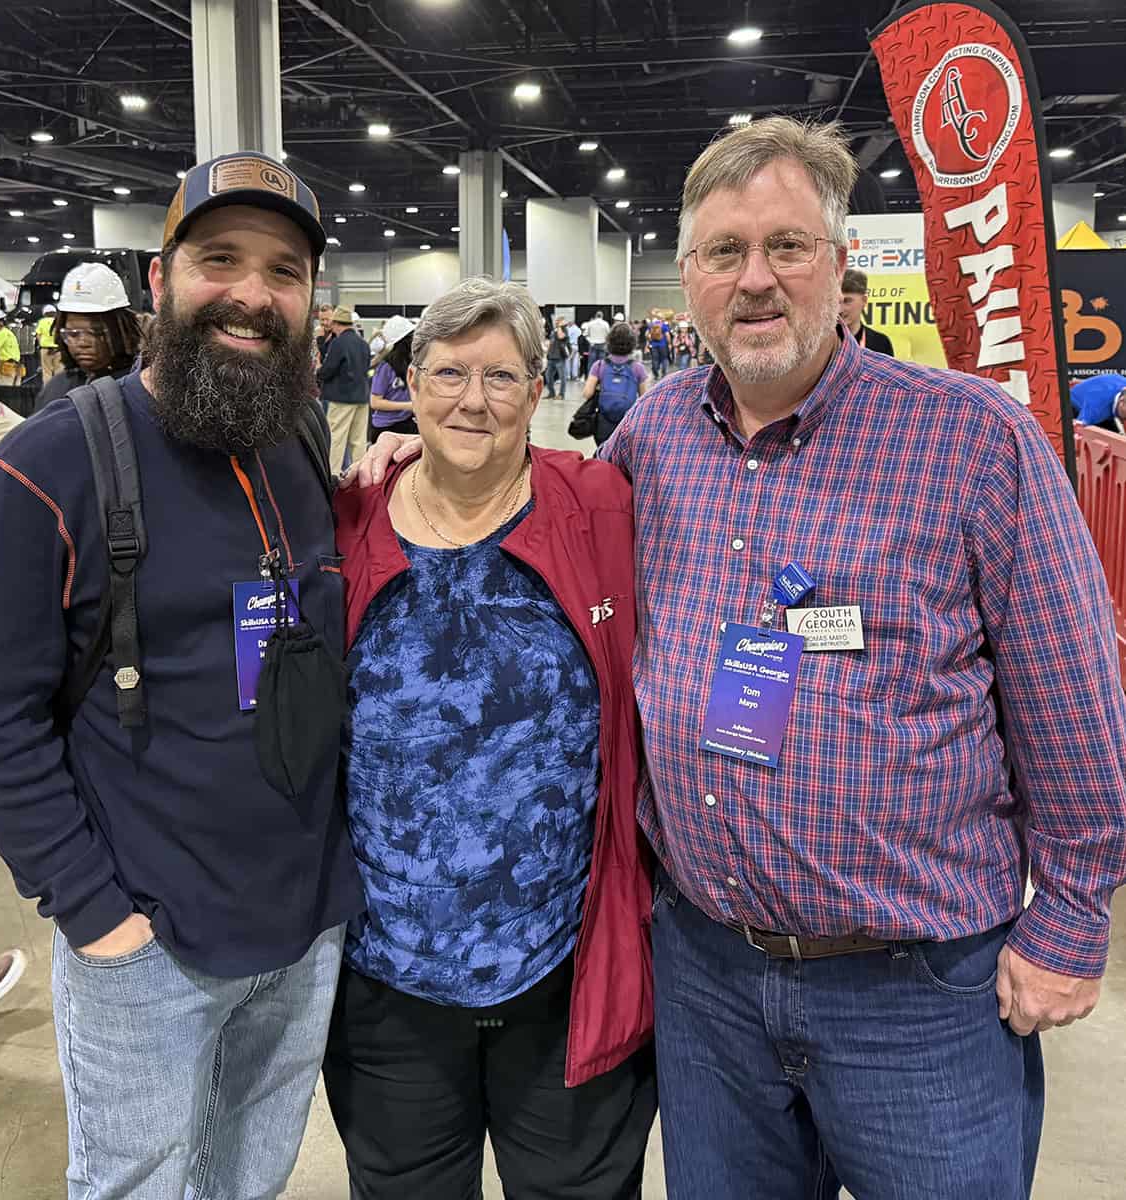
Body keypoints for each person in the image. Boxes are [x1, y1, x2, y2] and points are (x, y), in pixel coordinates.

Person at [353, 114, 1126, 1199]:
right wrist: (406, 463)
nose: (754, 279)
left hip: (916, 991)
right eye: (724, 252)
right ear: (691, 278)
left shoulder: (971, 439)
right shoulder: (653, 437)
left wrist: (1072, 917)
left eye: (787, 246)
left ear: (838, 263)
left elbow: (1075, 701)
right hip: (707, 975)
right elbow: (532, 502)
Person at [0, 149, 363, 1199]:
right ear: (161, 281)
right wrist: (95, 913)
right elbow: (0, 720)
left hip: (304, 921)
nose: (251, 293)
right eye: (219, 259)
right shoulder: (49, 465)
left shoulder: (288, 438)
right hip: (147, 937)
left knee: (250, 1172)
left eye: (283, 270)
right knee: (138, 1182)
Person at [325, 276, 655, 1198]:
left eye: (503, 378)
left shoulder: (599, 505)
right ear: (412, 383)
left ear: (539, 389)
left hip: (563, 967)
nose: (474, 399)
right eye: (449, 373)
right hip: (387, 978)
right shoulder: (347, 517)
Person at [34, 263, 144, 410]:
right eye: (73, 334)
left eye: (97, 332)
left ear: (119, 330)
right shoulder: (55, 389)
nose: (83, 343)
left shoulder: (141, 387)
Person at [319, 304, 372, 474]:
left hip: (341, 398)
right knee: (358, 441)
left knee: (336, 439)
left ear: (336, 324)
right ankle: (360, 475)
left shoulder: (339, 343)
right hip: (362, 398)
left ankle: (333, 476)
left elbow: (328, 369)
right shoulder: (363, 344)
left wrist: (318, 373)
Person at [580, 320, 649, 445]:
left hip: (603, 423)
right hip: (628, 423)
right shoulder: (638, 368)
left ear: (610, 341)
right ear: (632, 342)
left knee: (603, 458)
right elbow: (645, 398)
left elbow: (587, 393)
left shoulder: (599, 365)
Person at [369, 314, 417, 443]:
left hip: (406, 422)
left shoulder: (412, 363)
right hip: (386, 428)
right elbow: (375, 402)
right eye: (412, 336)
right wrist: (408, 406)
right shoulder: (386, 367)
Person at [838, 267, 894, 355]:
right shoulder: (822, 342)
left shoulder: (881, 343)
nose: (840, 309)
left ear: (864, 300)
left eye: (847, 301)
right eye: (836, 302)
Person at [0, 313, 22, 387]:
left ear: (0, 323)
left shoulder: (1, 334)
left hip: (5, 367)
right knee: (12, 392)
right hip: (14, 367)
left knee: (2, 391)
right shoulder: (7, 332)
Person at [543, 316, 570, 399]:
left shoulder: (564, 329)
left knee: (562, 377)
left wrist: (559, 327)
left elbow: (561, 337)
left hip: (560, 357)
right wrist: (547, 353)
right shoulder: (554, 331)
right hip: (551, 357)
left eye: (558, 321)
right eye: (556, 321)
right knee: (548, 376)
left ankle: (561, 394)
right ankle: (551, 393)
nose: (556, 322)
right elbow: (551, 342)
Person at [37, 303, 62, 384]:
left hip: (45, 349)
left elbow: (38, 335)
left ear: (44, 313)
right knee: (59, 371)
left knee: (47, 372)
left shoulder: (42, 322)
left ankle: (48, 392)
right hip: (58, 350)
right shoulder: (58, 321)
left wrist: (41, 343)